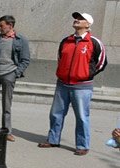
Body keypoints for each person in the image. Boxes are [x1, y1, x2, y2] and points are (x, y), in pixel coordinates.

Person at [38, 12, 107, 156]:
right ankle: (53, 139)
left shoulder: (94, 42)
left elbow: (101, 62)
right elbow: (60, 58)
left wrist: (85, 74)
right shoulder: (66, 41)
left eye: (81, 19)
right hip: (63, 83)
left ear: (88, 24)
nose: (76, 20)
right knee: (56, 114)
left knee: (82, 116)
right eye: (76, 18)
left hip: (82, 86)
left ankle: (82, 145)